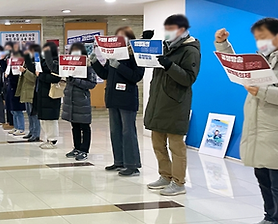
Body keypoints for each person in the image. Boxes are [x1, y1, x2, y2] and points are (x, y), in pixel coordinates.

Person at [215, 18, 278, 224]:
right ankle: (269, 217)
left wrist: (263, 92)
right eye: (257, 38)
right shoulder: (265, 57)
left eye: (264, 37)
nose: (260, 42)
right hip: (258, 127)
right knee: (263, 177)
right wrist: (223, 45)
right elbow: (240, 65)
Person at [145, 14, 201, 195]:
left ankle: (179, 182)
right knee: (157, 144)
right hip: (158, 101)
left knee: (176, 146)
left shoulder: (190, 50)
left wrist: (169, 65)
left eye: (171, 29)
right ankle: (165, 175)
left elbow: (188, 78)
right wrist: (142, 42)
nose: (167, 32)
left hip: (176, 103)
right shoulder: (164, 47)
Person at [91, 26, 145, 176]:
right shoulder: (113, 54)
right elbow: (105, 74)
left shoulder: (135, 54)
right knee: (115, 131)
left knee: (128, 131)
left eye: (122, 37)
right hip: (113, 97)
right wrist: (95, 62)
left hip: (127, 98)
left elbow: (136, 76)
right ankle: (119, 161)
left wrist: (119, 66)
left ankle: (132, 165)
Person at [62, 43, 97, 161]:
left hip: (82, 99)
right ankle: (76, 147)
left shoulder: (88, 66)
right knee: (74, 125)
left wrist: (76, 81)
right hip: (70, 99)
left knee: (84, 126)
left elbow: (92, 84)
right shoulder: (69, 65)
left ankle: (84, 150)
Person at [36, 42, 62, 148]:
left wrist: (41, 75)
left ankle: (53, 139)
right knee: (43, 119)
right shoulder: (43, 61)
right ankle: (48, 137)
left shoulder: (56, 62)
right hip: (42, 92)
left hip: (51, 93)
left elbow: (56, 77)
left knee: (50, 119)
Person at [16, 44, 40, 141]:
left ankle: (36, 133)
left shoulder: (36, 63)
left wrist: (25, 71)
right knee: (29, 113)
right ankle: (31, 131)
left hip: (32, 91)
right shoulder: (27, 61)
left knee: (34, 114)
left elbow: (35, 78)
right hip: (26, 90)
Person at [5, 44, 26, 135]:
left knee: (18, 109)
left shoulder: (21, 63)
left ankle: (21, 128)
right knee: (12, 109)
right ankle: (16, 126)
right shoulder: (9, 63)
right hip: (10, 87)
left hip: (18, 87)